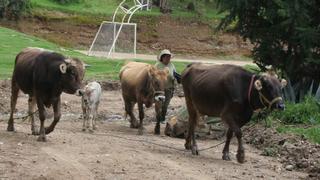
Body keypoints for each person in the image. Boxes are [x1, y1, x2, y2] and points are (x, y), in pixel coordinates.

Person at [155, 49, 181, 123]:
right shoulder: (157, 65)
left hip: (169, 88)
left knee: (165, 105)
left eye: (169, 57)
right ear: (162, 57)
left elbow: (175, 73)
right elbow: (154, 76)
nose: (168, 58)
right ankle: (158, 118)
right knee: (159, 104)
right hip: (160, 89)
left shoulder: (171, 65)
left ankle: (162, 118)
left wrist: (178, 77)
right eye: (167, 57)